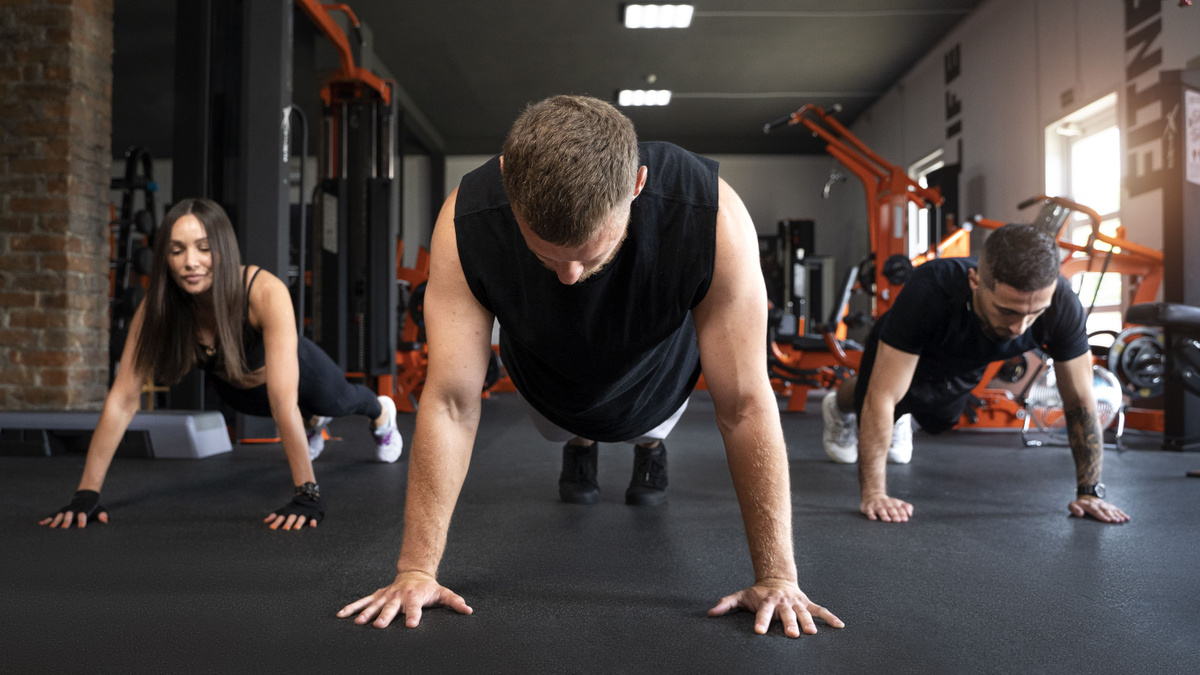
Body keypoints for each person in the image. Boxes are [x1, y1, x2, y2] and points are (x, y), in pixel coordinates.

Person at [337, 95, 843, 638]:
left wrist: (778, 576)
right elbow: (451, 402)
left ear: (638, 186)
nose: (570, 278)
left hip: (655, 383)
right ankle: (580, 444)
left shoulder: (711, 217)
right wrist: (415, 569)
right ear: (510, 188)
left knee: (648, 427)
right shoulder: (468, 220)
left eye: (590, 256)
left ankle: (649, 447)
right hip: (547, 383)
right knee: (566, 429)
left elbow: (744, 404)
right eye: (548, 256)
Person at [39, 198, 403, 532]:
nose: (190, 262)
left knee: (338, 402)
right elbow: (122, 400)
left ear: (223, 249)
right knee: (273, 406)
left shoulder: (263, 291)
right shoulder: (158, 308)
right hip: (240, 391)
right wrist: (86, 493)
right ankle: (311, 424)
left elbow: (281, 400)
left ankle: (380, 415)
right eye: (177, 250)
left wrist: (307, 492)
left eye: (203, 248)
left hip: (297, 372)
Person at [821, 223, 1130, 524]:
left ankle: (901, 414)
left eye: (1034, 314)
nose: (1019, 327)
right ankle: (837, 405)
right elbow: (883, 394)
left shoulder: (1062, 305)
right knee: (879, 394)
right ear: (974, 281)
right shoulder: (931, 287)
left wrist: (1090, 493)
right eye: (1007, 311)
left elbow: (1079, 399)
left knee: (941, 421)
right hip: (909, 346)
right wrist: (875, 494)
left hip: (965, 360)